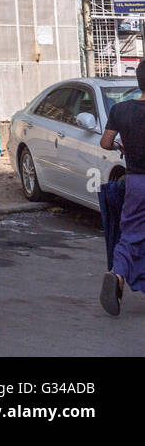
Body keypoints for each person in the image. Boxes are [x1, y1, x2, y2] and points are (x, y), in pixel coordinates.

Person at [100, 66, 145, 315]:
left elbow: (106, 142)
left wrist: (121, 144)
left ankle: (118, 275)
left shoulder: (121, 110)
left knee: (130, 234)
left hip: (137, 182)